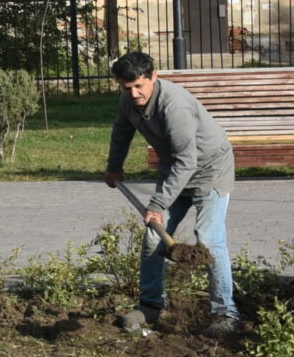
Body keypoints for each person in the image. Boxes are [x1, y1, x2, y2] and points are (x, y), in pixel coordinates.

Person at [102, 50, 239, 336]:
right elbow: (121, 132)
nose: (135, 93)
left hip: (209, 169)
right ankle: (151, 306)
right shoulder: (128, 101)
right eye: (127, 88)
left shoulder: (174, 106)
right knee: (154, 235)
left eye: (140, 85)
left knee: (209, 238)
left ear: (153, 76)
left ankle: (226, 313)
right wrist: (114, 167)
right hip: (175, 168)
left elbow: (188, 161)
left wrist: (158, 203)